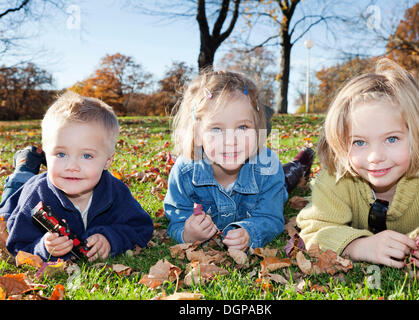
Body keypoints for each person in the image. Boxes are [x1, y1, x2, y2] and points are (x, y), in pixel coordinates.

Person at [297, 58, 419, 270]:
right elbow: (316, 228)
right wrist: (358, 246)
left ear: (418, 135)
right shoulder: (336, 176)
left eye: (392, 139)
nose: (375, 157)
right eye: (359, 142)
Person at [1, 91, 154, 262]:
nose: (72, 167)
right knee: (18, 184)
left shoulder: (115, 192)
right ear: (46, 153)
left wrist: (111, 239)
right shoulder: (35, 196)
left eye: (87, 156)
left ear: (108, 161)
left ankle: (27, 166)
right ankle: (23, 167)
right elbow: (15, 244)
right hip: (20, 195)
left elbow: (141, 227)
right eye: (61, 154)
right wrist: (43, 247)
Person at [164, 70, 308, 251]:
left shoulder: (267, 167)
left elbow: (271, 217)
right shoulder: (184, 173)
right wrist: (187, 234)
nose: (231, 141)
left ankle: (302, 161)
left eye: (242, 127)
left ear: (256, 130)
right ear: (198, 134)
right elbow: (176, 218)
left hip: (276, 182)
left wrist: (250, 232)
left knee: (290, 176)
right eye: (216, 129)